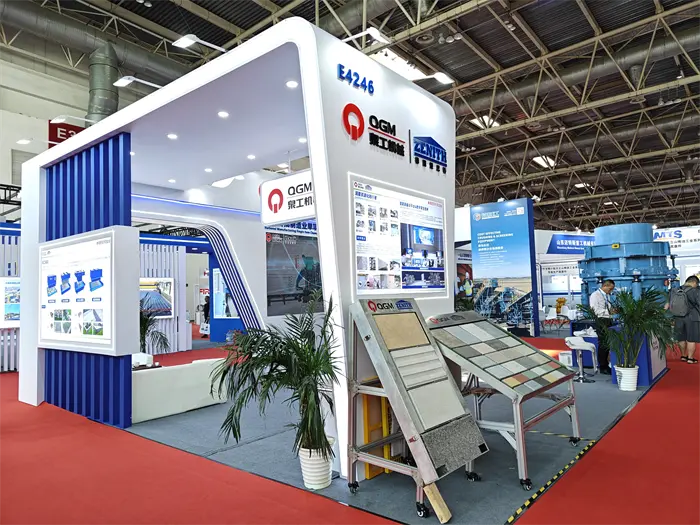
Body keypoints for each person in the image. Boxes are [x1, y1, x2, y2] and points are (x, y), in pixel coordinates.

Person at [669, 275, 700, 364]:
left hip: (678, 317)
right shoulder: (695, 291)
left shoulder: (675, 290)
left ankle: (683, 356)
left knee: (681, 338)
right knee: (691, 339)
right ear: (694, 282)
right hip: (692, 317)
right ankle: (690, 358)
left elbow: (670, 304)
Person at [589, 279, 615, 374]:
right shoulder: (595, 295)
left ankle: (606, 364)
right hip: (600, 321)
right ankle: (602, 366)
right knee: (603, 344)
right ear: (605, 286)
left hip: (608, 320)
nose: (611, 291)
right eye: (610, 289)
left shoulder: (607, 295)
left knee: (607, 344)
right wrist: (608, 312)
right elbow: (595, 310)